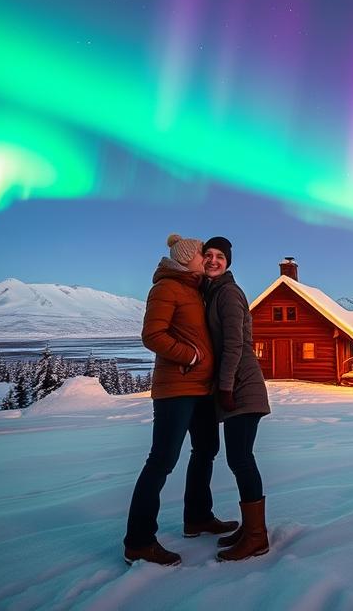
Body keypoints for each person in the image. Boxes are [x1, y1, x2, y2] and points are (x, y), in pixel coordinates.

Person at [123, 233, 238, 567]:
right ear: (187, 258)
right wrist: (189, 356)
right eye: (202, 255)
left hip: (201, 389)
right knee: (161, 461)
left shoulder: (194, 288)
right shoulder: (166, 288)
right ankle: (139, 541)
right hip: (176, 389)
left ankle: (198, 517)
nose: (206, 259)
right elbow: (152, 335)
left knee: (206, 450)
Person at [202, 236, 271, 561]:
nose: (213, 260)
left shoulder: (228, 293)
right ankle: (250, 528)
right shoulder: (214, 291)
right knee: (239, 459)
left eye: (220, 256)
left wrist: (226, 387)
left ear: (228, 262)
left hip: (242, 385)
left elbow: (234, 344)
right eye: (208, 255)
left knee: (241, 459)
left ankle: (257, 536)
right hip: (237, 384)